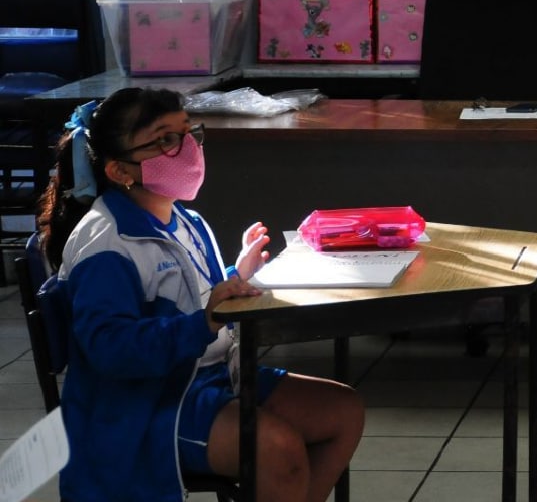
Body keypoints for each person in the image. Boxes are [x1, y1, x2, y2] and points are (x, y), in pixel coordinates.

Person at [36, 87, 364, 502]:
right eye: (166, 140)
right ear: (120, 171)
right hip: (146, 405)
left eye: (188, 133)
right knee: (276, 449)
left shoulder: (184, 219)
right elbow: (110, 349)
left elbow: (196, 298)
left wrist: (235, 274)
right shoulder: (107, 246)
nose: (188, 148)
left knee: (342, 411)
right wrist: (204, 321)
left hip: (206, 379)